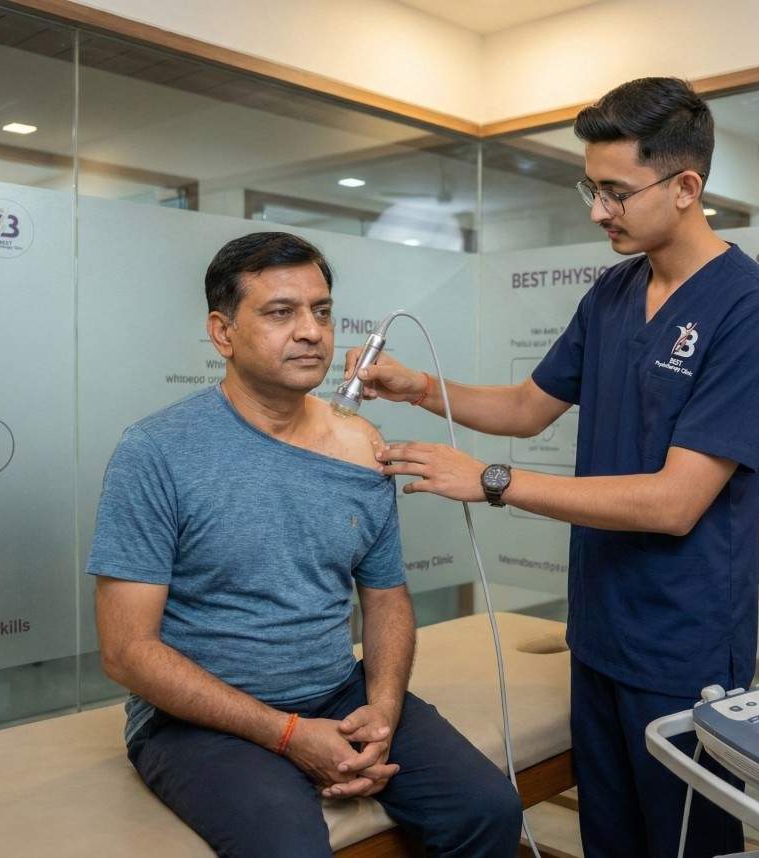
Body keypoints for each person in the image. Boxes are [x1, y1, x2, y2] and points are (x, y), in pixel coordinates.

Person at [348, 78, 759, 858]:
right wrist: (418, 387)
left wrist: (491, 481)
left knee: (682, 843)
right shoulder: (614, 292)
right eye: (592, 188)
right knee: (610, 838)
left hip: (682, 642)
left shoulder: (751, 309)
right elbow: (529, 405)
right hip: (598, 629)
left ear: (687, 187)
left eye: (617, 192)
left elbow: (675, 503)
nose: (598, 211)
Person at [87, 232, 522, 858]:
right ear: (222, 332)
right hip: (198, 721)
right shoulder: (156, 453)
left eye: (321, 311)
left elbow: (387, 598)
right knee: (289, 846)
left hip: (337, 691)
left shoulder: (359, 447)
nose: (312, 331)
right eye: (279, 312)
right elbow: (127, 653)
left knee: (486, 809)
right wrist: (290, 736)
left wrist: (384, 709)